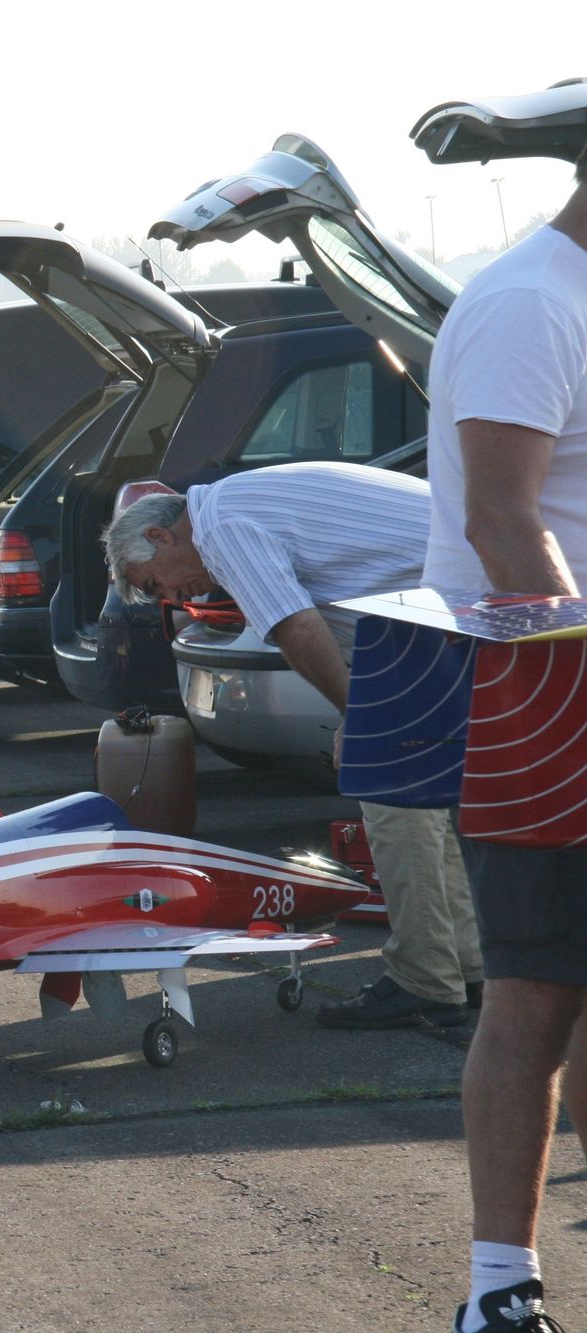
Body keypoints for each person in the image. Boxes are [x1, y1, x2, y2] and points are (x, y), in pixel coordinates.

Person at [103, 461, 483, 1031]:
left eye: (156, 583)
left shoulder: (220, 527)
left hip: (445, 614)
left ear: (161, 536)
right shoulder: (232, 504)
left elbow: (295, 625)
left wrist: (358, 718)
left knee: (395, 800)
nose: (174, 599)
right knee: (420, 803)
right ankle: (465, 968)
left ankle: (426, 980)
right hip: (448, 612)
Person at [421, 151, 587, 1333]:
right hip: (536, 689)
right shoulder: (529, 301)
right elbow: (498, 521)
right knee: (531, 989)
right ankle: (496, 1290)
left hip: (563, 679)